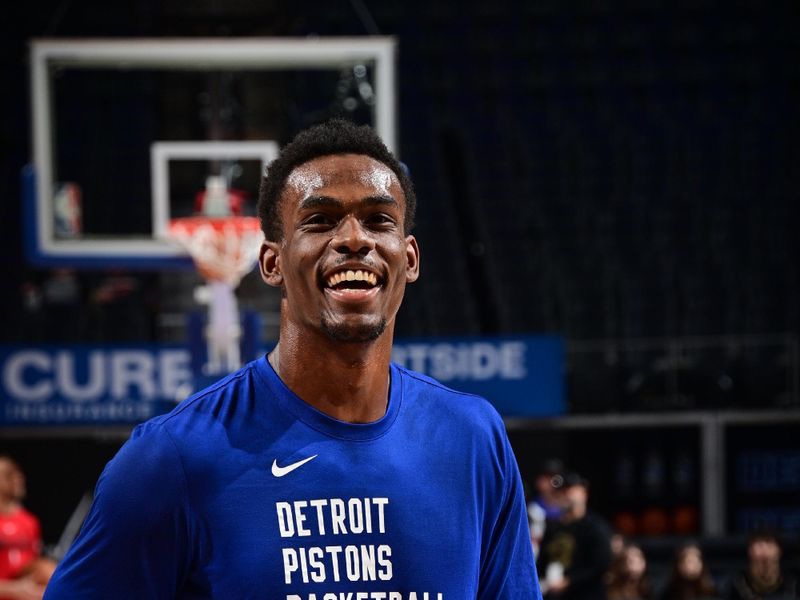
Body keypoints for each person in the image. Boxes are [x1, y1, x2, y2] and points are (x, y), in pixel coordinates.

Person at [44, 119, 541, 599]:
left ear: (408, 258)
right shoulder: (170, 459)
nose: (353, 239)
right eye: (320, 221)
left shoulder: (473, 439)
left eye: (378, 220)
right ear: (271, 263)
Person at [536, 472, 612, 599]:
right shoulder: (552, 528)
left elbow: (599, 565)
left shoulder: (595, 528)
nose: (564, 494)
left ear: (584, 493)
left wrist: (569, 581)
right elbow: (542, 561)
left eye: (570, 489)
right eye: (561, 490)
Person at [0, 457, 54, 600]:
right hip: (7, 589)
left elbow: (31, 565)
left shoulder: (30, 521)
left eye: (18, 474)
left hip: (26, 589)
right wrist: (12, 589)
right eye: (8, 474)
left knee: (49, 571)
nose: (17, 478)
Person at [726, 531, 797, 599]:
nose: (764, 549)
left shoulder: (792, 584)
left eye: (769, 543)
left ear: (779, 551)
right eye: (759, 544)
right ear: (749, 552)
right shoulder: (737, 585)